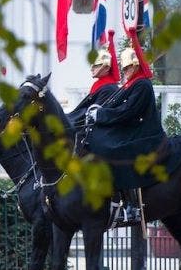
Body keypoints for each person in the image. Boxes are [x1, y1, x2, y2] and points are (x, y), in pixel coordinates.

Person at [85, 31, 165, 224]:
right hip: (133, 131)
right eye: (123, 67)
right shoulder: (130, 84)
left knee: (116, 150)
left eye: (128, 67)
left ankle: (131, 206)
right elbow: (115, 103)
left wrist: (101, 115)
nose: (125, 70)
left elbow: (127, 111)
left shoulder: (142, 85)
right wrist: (98, 110)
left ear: (136, 66)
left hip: (146, 134)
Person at [67, 30, 120, 126]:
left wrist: (71, 121)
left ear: (107, 67)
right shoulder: (100, 85)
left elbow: (91, 112)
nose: (92, 69)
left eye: (96, 65)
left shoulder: (108, 88)